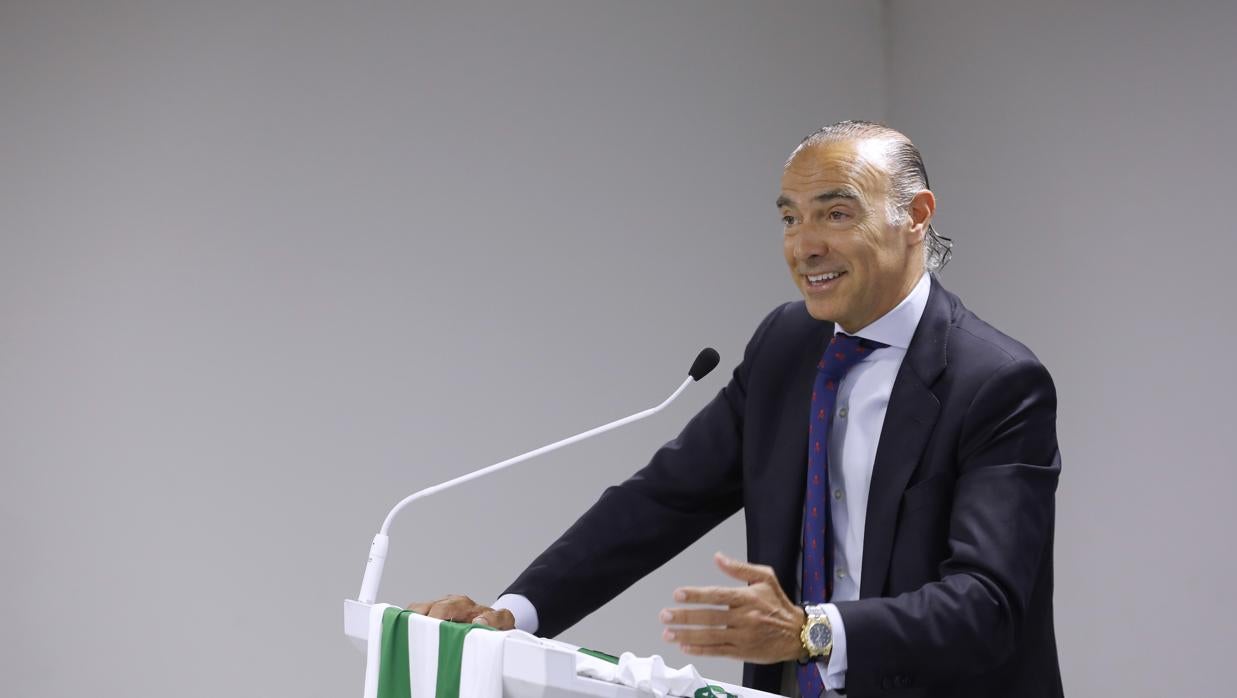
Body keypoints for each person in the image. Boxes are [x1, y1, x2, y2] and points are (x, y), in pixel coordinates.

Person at [407, 121, 1062, 697]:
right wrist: (515, 614)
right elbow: (664, 499)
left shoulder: (997, 383)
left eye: (835, 214)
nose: (804, 246)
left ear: (916, 215)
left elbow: (988, 604)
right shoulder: (786, 347)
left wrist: (812, 631)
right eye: (789, 218)